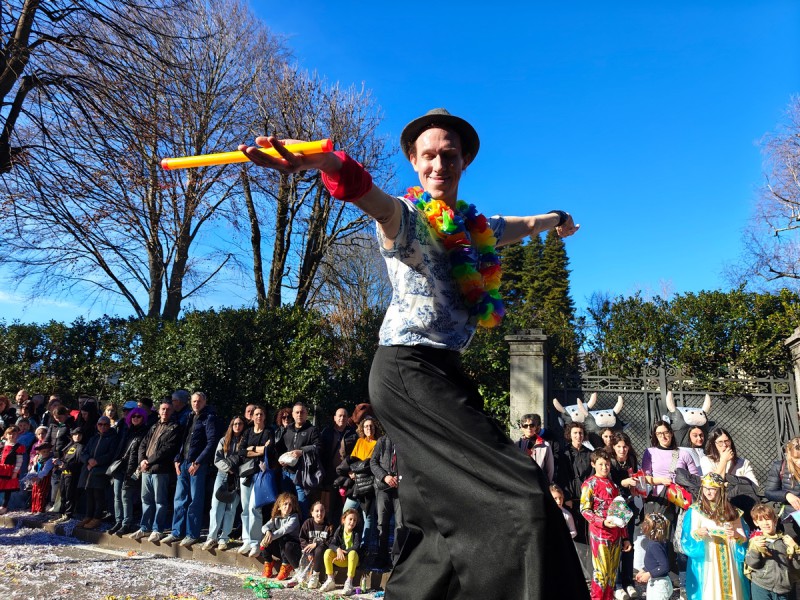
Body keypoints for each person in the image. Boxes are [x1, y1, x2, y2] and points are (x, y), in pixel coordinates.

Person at [241, 107, 585, 599]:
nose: (439, 164)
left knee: (438, 527)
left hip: (446, 372)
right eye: (429, 156)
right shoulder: (409, 218)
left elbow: (525, 223)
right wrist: (330, 164)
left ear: (464, 161)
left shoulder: (477, 228)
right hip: (407, 370)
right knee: (519, 488)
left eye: (449, 154)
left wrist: (559, 219)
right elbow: (374, 201)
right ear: (414, 162)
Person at [680, 472, 749, 600]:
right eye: (705, 488)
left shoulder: (732, 510)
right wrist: (699, 532)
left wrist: (735, 534)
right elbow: (691, 534)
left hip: (729, 554)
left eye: (712, 489)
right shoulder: (697, 509)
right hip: (709, 556)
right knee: (712, 587)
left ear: (720, 490)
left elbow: (743, 537)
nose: (708, 492)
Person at [162, 391, 218, 547]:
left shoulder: (209, 418)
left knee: (195, 501)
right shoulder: (189, 417)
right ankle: (176, 532)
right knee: (179, 499)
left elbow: (212, 442)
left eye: (199, 401)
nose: (196, 404)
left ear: (204, 402)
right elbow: (183, 440)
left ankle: (192, 534)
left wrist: (198, 462)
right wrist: (177, 459)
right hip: (183, 462)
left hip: (197, 465)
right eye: (194, 401)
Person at [580, 449, 632, 600]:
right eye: (601, 464)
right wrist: (602, 522)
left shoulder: (613, 485)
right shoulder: (589, 484)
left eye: (607, 464)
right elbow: (584, 510)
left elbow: (620, 512)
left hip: (616, 535)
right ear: (593, 464)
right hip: (599, 534)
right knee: (601, 574)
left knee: (612, 574)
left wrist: (625, 537)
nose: (604, 467)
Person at [129, 400, 181, 542]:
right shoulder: (154, 426)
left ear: (172, 412)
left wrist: (148, 461)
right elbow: (143, 444)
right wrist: (142, 460)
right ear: (158, 411)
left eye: (168, 409)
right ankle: (145, 527)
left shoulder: (175, 428)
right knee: (146, 500)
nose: (165, 412)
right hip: (146, 469)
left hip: (160, 470)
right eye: (163, 409)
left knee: (160, 501)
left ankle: (157, 529)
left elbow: (167, 449)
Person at [203, 415, 246, 551]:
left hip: (237, 478)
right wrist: (229, 468)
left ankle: (224, 538)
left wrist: (237, 470)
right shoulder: (223, 440)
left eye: (240, 424)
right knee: (216, 507)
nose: (237, 426)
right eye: (235, 424)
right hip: (223, 475)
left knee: (231, 509)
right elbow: (217, 459)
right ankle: (212, 537)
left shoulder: (245, 440)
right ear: (231, 426)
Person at [338, 415, 380, 553]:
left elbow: (374, 464)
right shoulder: (360, 441)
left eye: (371, 426)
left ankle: (363, 547)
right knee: (346, 511)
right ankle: (344, 543)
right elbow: (353, 459)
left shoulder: (379, 443)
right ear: (362, 428)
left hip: (369, 484)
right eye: (366, 426)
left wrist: (358, 470)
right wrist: (351, 471)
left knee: (368, 516)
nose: (368, 428)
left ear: (375, 428)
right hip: (356, 484)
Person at [238, 405, 274, 557]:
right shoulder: (247, 432)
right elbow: (241, 451)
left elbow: (269, 450)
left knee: (255, 507)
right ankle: (246, 539)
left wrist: (251, 449)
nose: (258, 416)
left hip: (260, 473)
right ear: (252, 417)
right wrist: (258, 449)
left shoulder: (268, 432)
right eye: (256, 414)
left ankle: (255, 542)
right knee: (245, 508)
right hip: (246, 473)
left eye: (261, 414)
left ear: (264, 417)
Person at [607, 431, 639, 600]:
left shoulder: (631, 459)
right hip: (614, 506)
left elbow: (635, 478)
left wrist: (635, 487)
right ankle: (617, 584)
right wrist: (623, 482)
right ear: (613, 447)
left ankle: (629, 582)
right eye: (619, 446)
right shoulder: (609, 461)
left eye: (625, 446)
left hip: (629, 504)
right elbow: (608, 482)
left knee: (629, 543)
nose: (622, 450)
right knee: (616, 544)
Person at [275, 401, 320, 519]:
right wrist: (281, 459)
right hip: (286, 472)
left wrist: (302, 451)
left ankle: (303, 529)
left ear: (306, 414)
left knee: (302, 504)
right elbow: (280, 449)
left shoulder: (312, 430)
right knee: (285, 505)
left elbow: (318, 448)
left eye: (302, 412)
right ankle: (286, 528)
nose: (299, 414)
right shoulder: (287, 430)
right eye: (297, 412)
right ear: (293, 415)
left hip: (302, 473)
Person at [745, 503, 800, 600]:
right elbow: (753, 564)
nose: (765, 523)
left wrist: (795, 549)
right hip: (761, 587)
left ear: (775, 520)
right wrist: (755, 550)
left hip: (783, 589)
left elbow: (797, 566)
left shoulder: (786, 541)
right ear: (756, 522)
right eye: (761, 520)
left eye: (768, 519)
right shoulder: (756, 540)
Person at [109, 407, 149, 535]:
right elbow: (120, 448)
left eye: (138, 416)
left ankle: (126, 523)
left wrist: (136, 470)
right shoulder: (126, 430)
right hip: (120, 466)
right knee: (117, 496)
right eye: (133, 416)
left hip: (132, 468)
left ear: (143, 418)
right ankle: (118, 521)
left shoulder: (145, 432)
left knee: (126, 496)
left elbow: (142, 452)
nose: (135, 418)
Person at [77, 415, 117, 529]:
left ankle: (97, 517)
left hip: (100, 470)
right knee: (89, 494)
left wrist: (97, 461)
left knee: (98, 495)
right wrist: (88, 460)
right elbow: (83, 452)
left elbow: (111, 454)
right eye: (100, 424)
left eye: (105, 424)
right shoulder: (93, 438)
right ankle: (88, 516)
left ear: (109, 426)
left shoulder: (112, 438)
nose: (102, 426)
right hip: (89, 470)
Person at [370, 431, 403, 568]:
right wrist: (385, 477)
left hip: (401, 489)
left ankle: (396, 559)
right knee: (382, 523)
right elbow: (373, 462)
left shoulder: (405, 439)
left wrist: (400, 477)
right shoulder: (382, 441)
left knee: (400, 524)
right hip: (383, 488)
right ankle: (381, 556)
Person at [320, 406, 357, 523]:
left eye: (345, 416)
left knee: (343, 506)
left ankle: (341, 529)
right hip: (329, 473)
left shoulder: (353, 434)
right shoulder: (326, 432)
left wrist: (352, 470)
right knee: (328, 504)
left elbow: (356, 455)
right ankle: (328, 528)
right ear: (334, 418)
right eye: (340, 416)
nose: (342, 418)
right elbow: (320, 452)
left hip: (346, 475)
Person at [319, 508, 363, 595]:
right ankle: (330, 580)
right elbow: (332, 544)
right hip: (340, 559)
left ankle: (349, 582)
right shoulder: (339, 530)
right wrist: (338, 549)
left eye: (354, 520)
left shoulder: (356, 532)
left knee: (352, 553)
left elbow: (356, 546)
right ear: (344, 520)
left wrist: (344, 552)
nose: (352, 522)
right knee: (328, 552)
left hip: (352, 560)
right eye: (350, 519)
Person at [260, 492, 302, 581]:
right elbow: (265, 526)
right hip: (280, 549)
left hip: (292, 549)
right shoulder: (276, 517)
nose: (287, 507)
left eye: (290, 505)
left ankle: (286, 565)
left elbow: (284, 530)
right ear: (279, 506)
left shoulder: (294, 518)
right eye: (285, 504)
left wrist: (269, 538)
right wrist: (267, 532)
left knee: (283, 537)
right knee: (264, 535)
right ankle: (268, 563)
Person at [765, 437, 800, 541]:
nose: (799, 462)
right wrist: (786, 495)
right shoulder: (780, 466)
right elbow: (769, 492)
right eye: (796, 458)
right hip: (791, 519)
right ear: (789, 454)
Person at [292, 500, 333, 588]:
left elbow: (331, 541)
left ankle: (315, 576)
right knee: (289, 546)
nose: (319, 513)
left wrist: (317, 544)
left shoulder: (328, 525)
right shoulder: (308, 523)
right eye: (317, 511)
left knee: (319, 548)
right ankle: (299, 573)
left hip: (322, 552)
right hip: (309, 553)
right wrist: (309, 552)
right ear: (312, 513)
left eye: (322, 511)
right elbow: (302, 538)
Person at [634, 513, 673, 600]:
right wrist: (644, 570)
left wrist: (649, 574)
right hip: (657, 582)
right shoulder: (658, 542)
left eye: (645, 523)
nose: (643, 525)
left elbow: (664, 566)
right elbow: (654, 562)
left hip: (659, 585)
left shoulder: (654, 545)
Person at [50, 427, 83, 524]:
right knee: (63, 495)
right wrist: (59, 462)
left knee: (70, 495)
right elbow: (65, 458)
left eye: (79, 435)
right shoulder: (70, 446)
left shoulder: (80, 447)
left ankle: (68, 514)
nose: (77, 436)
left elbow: (78, 462)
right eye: (75, 434)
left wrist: (65, 465)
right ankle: (61, 513)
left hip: (72, 474)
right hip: (64, 473)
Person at [516, 413, 555, 483]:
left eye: (532, 425)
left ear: (535, 427)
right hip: (522, 482)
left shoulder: (545, 445)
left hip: (539, 483)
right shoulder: (516, 445)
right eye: (525, 426)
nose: (529, 428)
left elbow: (550, 469)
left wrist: (547, 484)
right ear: (521, 427)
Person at [0, 425, 25, 514]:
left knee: (8, 489)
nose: (12, 436)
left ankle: (4, 506)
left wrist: (15, 472)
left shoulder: (18, 447)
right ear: (6, 435)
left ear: (17, 435)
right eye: (9, 434)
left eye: (14, 434)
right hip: (1, 468)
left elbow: (19, 461)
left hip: (9, 470)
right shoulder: (2, 444)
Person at [25, 442, 53, 512]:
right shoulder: (39, 459)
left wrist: (38, 477)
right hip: (36, 477)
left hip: (44, 478)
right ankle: (34, 509)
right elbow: (34, 468)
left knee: (41, 494)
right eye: (44, 451)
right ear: (39, 452)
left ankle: (40, 509)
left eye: (47, 451)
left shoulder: (49, 460)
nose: (46, 453)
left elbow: (45, 471)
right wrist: (31, 475)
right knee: (35, 492)